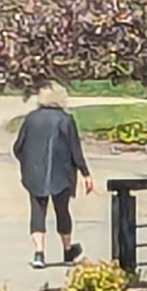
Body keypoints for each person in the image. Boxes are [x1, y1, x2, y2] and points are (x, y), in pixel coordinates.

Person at [12, 85, 89, 268]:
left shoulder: (30, 119)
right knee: (62, 211)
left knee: (37, 212)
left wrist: (27, 162)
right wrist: (85, 172)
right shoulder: (66, 120)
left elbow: (18, 147)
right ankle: (68, 250)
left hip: (34, 173)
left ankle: (39, 253)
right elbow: (74, 150)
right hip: (62, 172)